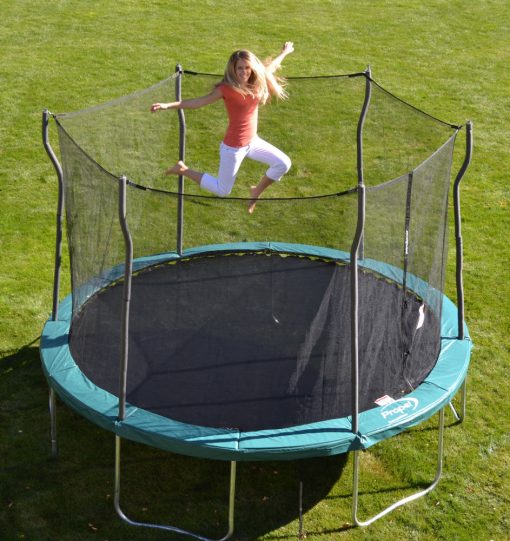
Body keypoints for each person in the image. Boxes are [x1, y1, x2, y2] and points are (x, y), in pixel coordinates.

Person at [150, 41, 294, 213]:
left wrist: (285, 52)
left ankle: (255, 192)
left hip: (253, 142)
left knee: (283, 163)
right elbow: (198, 102)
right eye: (239, 68)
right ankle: (183, 169)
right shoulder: (226, 89)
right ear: (233, 69)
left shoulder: (256, 82)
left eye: (247, 68)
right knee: (222, 190)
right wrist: (167, 105)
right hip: (233, 148)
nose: (244, 72)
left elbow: (271, 67)